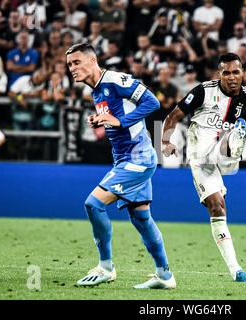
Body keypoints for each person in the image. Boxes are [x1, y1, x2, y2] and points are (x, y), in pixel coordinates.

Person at [161, 53, 246, 283]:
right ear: (219, 74)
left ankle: (230, 147)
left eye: (236, 72)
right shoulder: (203, 91)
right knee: (216, 200)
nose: (232, 77)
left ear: (243, 73)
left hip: (221, 158)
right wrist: (165, 141)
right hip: (199, 152)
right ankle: (232, 144)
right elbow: (174, 115)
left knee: (220, 198)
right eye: (226, 72)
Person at [65, 43, 176, 289]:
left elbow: (152, 102)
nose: (71, 69)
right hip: (126, 158)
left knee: (93, 204)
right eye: (69, 64)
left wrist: (119, 120)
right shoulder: (96, 91)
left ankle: (105, 267)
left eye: (76, 62)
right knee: (141, 217)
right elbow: (116, 120)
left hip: (138, 158)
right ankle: (165, 276)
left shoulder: (115, 79)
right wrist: (101, 121)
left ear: (92, 61)